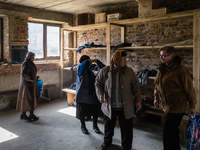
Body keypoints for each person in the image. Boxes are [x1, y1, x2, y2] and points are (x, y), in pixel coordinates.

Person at [95, 50, 142, 150]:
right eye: (122, 59)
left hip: (125, 107)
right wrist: (100, 94)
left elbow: (136, 86)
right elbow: (98, 83)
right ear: (115, 59)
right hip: (110, 106)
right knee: (108, 127)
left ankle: (126, 146)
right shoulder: (106, 71)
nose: (124, 61)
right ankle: (107, 142)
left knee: (127, 129)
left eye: (125, 59)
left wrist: (138, 100)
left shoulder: (129, 71)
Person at [154, 46, 197, 150]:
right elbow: (157, 84)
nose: (161, 58)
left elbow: (189, 89)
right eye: (160, 55)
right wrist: (156, 98)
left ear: (172, 56)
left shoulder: (181, 71)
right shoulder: (162, 68)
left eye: (164, 56)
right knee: (172, 133)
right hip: (166, 106)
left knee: (167, 132)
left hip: (177, 106)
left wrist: (192, 106)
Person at [76, 55, 105, 134]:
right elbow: (85, 63)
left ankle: (95, 126)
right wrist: (94, 59)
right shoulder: (80, 68)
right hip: (83, 95)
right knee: (82, 112)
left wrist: (98, 63)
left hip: (91, 94)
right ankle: (83, 126)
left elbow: (103, 68)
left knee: (94, 112)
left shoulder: (89, 70)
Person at [16, 52, 39, 121]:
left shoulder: (29, 62)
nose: (33, 58)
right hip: (28, 85)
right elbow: (24, 73)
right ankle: (31, 114)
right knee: (30, 99)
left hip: (28, 84)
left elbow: (29, 72)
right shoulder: (27, 63)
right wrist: (30, 79)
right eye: (32, 57)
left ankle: (23, 114)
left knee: (26, 99)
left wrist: (35, 77)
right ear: (29, 57)